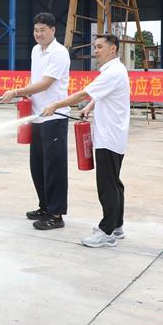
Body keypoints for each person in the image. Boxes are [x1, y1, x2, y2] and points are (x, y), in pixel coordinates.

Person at [43, 34, 130, 248]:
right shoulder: (116, 70)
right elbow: (99, 96)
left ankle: (107, 232)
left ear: (113, 49)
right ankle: (117, 226)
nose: (96, 51)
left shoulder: (112, 73)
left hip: (108, 137)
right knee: (115, 183)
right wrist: (90, 107)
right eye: (95, 47)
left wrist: (55, 105)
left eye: (100, 47)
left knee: (107, 186)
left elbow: (83, 94)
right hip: (114, 136)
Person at [0, 13, 71, 231]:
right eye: (36, 30)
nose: (38, 34)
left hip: (54, 117)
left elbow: (46, 83)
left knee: (54, 168)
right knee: (38, 166)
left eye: (42, 30)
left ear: (53, 30)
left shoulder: (59, 53)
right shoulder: (35, 51)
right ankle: (45, 206)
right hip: (37, 116)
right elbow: (35, 79)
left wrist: (16, 91)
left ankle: (56, 214)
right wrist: (26, 96)